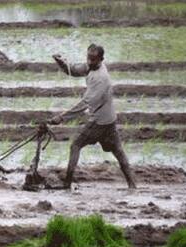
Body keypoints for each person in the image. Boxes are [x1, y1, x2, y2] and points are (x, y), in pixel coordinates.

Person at [48, 44, 136, 189]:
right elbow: (74, 70)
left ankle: (67, 183)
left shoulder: (101, 78)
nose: (89, 61)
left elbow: (85, 103)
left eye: (93, 59)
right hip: (109, 119)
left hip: (99, 122)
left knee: (75, 145)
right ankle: (132, 185)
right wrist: (62, 63)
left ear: (101, 59)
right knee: (118, 151)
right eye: (88, 58)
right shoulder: (91, 67)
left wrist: (61, 117)